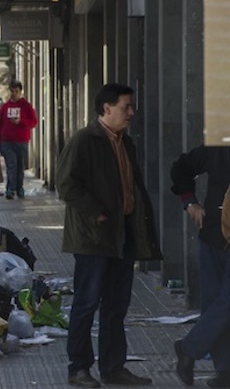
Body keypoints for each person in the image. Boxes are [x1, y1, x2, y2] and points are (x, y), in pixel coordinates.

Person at [56, 83, 162, 388]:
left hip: (122, 234)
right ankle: (79, 368)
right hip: (93, 236)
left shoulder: (125, 143)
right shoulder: (85, 140)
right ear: (106, 109)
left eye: (131, 107)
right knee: (87, 302)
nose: (131, 113)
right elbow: (66, 184)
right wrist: (96, 212)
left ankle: (114, 367)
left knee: (116, 304)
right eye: (125, 107)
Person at [170, 145, 230, 387]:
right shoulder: (217, 146)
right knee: (215, 302)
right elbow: (181, 169)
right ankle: (225, 369)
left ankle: (188, 348)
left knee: (225, 303)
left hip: (216, 234)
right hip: (214, 234)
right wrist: (190, 203)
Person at [0, 80, 37, 199]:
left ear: (20, 91)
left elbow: (33, 122)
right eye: (12, 91)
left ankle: (19, 187)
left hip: (21, 141)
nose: (14, 94)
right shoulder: (5, 107)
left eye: (16, 91)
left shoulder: (26, 106)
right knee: (11, 165)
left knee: (19, 167)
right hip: (7, 141)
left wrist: (21, 122)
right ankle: (11, 189)